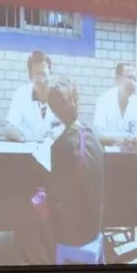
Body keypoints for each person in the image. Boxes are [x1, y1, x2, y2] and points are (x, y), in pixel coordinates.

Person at [47, 78, 105, 253]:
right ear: (77, 101)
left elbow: (55, 194)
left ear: (54, 111)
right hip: (95, 227)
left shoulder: (60, 145)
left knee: (34, 217)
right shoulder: (92, 134)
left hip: (75, 234)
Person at [6, 50, 63, 143]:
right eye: (37, 74)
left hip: (55, 149)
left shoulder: (60, 95)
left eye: (44, 74)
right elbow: (10, 128)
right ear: (30, 76)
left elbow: (68, 127)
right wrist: (25, 137)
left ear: (50, 74)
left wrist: (54, 135)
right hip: (27, 148)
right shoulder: (21, 94)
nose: (41, 79)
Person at [92, 62, 137, 150]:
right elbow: (97, 135)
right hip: (109, 156)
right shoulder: (104, 100)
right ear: (117, 79)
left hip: (132, 156)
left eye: (135, 79)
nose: (132, 82)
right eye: (129, 78)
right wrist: (120, 138)